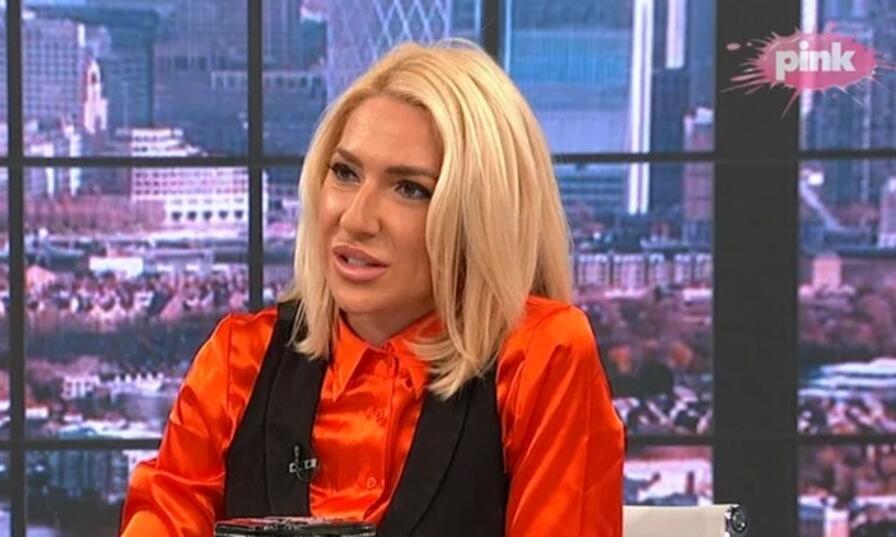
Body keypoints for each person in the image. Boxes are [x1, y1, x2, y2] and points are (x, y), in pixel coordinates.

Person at [119, 39, 625, 536]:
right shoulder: (239, 361)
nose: (356, 219)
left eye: (409, 189)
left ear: (479, 215)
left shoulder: (540, 358)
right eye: (345, 173)